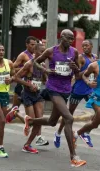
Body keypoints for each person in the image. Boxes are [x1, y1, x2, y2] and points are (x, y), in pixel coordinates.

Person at [23, 29, 86, 167]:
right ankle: (73, 156)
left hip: (66, 90)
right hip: (53, 89)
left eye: (72, 39)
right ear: (61, 37)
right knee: (69, 118)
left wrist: (75, 68)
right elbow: (35, 62)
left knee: (52, 121)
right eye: (68, 38)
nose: (70, 41)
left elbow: (78, 74)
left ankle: (31, 121)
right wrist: (45, 70)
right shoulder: (51, 51)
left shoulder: (74, 52)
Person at [54, 40, 97, 148]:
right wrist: (88, 70)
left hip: (90, 90)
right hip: (78, 90)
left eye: (87, 45)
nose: (85, 47)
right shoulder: (81, 58)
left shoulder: (95, 58)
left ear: (92, 46)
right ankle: (58, 133)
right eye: (83, 46)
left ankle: (86, 132)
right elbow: (77, 76)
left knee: (98, 112)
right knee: (69, 114)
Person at [14, 43, 49, 153]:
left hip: (37, 95)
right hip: (27, 94)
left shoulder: (42, 65)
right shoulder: (29, 64)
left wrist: (49, 81)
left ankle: (27, 145)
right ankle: (15, 113)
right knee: (33, 122)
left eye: (45, 52)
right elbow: (16, 77)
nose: (43, 54)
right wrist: (29, 85)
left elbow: (44, 80)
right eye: (41, 52)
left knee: (39, 122)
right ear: (35, 52)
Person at [7, 36, 37, 122]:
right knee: (14, 108)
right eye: (31, 44)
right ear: (27, 45)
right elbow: (12, 68)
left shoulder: (37, 54)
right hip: (22, 84)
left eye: (35, 44)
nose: (33, 46)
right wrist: (24, 69)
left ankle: (8, 117)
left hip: (33, 85)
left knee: (16, 109)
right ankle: (2, 117)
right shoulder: (23, 55)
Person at [73, 59, 100, 149]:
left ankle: (78, 134)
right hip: (96, 97)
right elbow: (84, 75)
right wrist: (89, 82)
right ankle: (80, 133)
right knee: (95, 123)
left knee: (95, 122)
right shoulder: (94, 65)